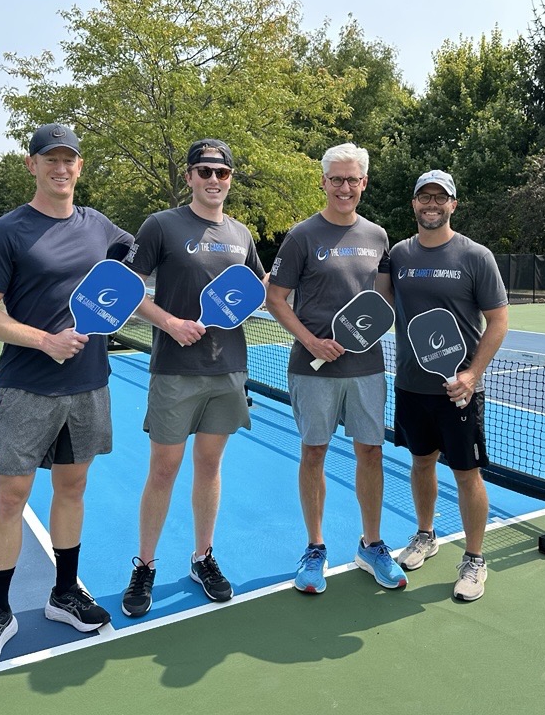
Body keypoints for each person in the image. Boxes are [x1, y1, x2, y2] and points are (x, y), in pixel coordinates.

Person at [0, 123, 134, 665]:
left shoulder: (99, 226)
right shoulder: (8, 232)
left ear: (80, 167)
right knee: (10, 498)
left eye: (70, 159)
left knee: (73, 489)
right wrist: (44, 340)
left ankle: (64, 593)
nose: (61, 168)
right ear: (32, 165)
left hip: (89, 387)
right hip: (25, 387)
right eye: (50, 158)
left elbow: (137, 265)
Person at [120, 139, 266, 617]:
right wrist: (170, 323)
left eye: (222, 173)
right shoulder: (161, 225)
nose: (213, 180)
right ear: (189, 177)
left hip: (228, 370)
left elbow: (257, 290)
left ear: (230, 179)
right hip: (175, 371)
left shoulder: (242, 234)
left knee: (209, 466)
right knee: (163, 469)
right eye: (204, 171)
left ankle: (203, 558)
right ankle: (144, 566)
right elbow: (127, 288)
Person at [265, 142, 407, 594]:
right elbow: (275, 299)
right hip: (312, 370)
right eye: (337, 179)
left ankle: (372, 544)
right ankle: (315, 548)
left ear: (364, 183)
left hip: (366, 369)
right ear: (323, 182)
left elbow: (381, 301)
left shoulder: (379, 236)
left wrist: (365, 333)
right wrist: (311, 342)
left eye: (353, 179)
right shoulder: (301, 236)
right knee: (315, 453)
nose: (344, 187)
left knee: (372, 452)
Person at [386, 169, 508, 601]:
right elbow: (377, 303)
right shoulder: (398, 254)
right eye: (424, 197)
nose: (432, 204)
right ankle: (426, 535)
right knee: (420, 463)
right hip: (411, 386)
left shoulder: (476, 257)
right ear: (414, 204)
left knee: (467, 474)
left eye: (441, 197)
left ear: (453, 204)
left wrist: (472, 375)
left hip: (459, 391)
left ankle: (474, 560)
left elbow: (498, 320)